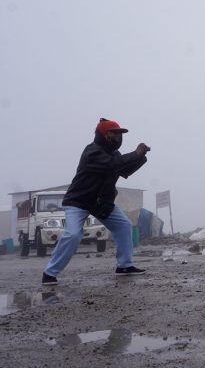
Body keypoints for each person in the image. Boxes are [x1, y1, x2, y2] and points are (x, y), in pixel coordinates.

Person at [42, 118, 151, 286]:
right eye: (114, 133)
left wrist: (140, 157)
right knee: (73, 235)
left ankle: (124, 266)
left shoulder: (114, 155)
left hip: (100, 202)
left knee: (124, 225)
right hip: (79, 201)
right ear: (103, 134)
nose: (118, 137)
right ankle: (49, 273)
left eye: (120, 134)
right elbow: (112, 165)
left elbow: (124, 169)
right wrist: (135, 153)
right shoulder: (92, 151)